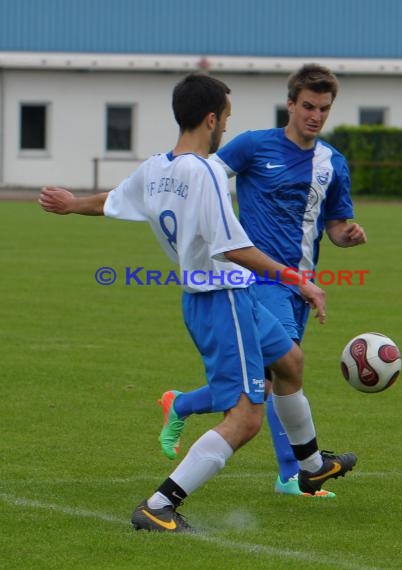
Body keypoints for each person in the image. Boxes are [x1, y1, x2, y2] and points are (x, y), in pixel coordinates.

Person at [39, 72, 357, 532]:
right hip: (220, 297)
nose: (227, 126)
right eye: (226, 117)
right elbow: (232, 248)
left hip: (225, 295)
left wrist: (72, 204)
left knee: (289, 361)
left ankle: (309, 468)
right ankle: (159, 505)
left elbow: (115, 200)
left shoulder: (157, 168)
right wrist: (299, 281)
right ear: (211, 119)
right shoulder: (206, 171)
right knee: (246, 417)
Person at [156, 64, 367, 498]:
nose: (315, 115)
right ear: (290, 104)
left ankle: (180, 402)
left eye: (323, 109)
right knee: (285, 366)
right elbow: (203, 175)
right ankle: (295, 474)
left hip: (301, 284)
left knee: (274, 379)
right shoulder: (253, 146)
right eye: (307, 106)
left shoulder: (332, 163)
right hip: (257, 279)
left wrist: (348, 235)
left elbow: (335, 225)